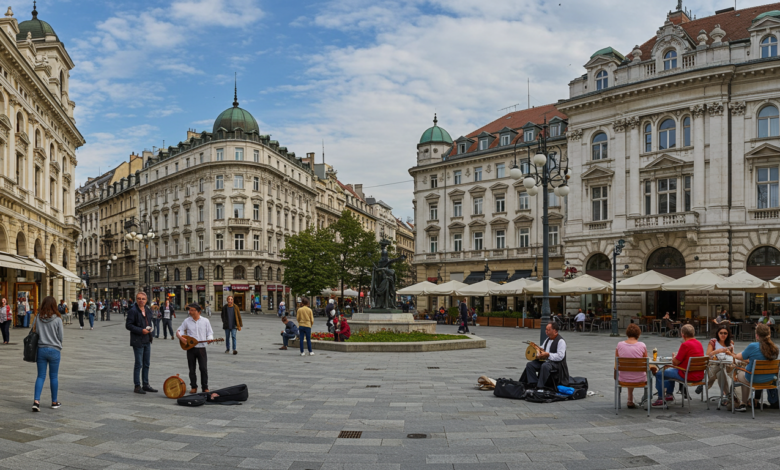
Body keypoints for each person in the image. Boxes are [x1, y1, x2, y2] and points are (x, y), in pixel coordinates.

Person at [728, 323, 779, 412]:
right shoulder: (774, 348)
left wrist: (732, 352)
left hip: (754, 379)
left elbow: (739, 357)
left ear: (757, 335)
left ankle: (743, 403)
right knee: (748, 374)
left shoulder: (753, 346)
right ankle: (753, 401)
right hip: (769, 380)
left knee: (741, 374)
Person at [652, 324, 703, 407]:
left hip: (687, 374)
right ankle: (669, 394)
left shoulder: (685, 345)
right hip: (699, 375)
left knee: (660, 373)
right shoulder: (699, 343)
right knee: (669, 371)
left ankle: (661, 398)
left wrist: (673, 356)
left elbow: (675, 362)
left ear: (682, 334)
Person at [31, 296, 64, 412]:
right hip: (54, 350)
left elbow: (33, 332)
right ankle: (54, 402)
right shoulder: (58, 319)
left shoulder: (37, 318)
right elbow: (61, 337)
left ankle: (36, 401)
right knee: (53, 376)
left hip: (41, 349)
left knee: (40, 376)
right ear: (54, 305)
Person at [176, 303, 214, 394]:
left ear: (199, 312)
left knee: (203, 368)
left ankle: (205, 387)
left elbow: (209, 333)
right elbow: (179, 330)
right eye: (190, 310)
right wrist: (181, 337)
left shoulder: (205, 321)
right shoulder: (187, 321)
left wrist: (209, 339)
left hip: (201, 348)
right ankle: (193, 386)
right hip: (190, 348)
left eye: (192, 310)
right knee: (191, 369)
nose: (190, 312)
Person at [125, 292, 157, 395]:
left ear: (146, 300)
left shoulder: (147, 310)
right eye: (139, 298)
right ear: (136, 299)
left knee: (146, 363)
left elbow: (150, 321)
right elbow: (128, 325)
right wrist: (140, 330)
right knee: (139, 364)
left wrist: (150, 330)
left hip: (147, 339)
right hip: (137, 340)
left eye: (143, 299)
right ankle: (137, 386)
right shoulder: (133, 311)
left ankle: (146, 384)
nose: (141, 300)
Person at [521, 323, 570, 389]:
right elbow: (542, 348)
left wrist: (548, 354)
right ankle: (533, 383)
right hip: (546, 361)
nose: (546, 331)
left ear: (555, 331)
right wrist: (537, 351)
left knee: (545, 366)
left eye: (548, 330)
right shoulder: (547, 339)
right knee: (530, 365)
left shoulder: (561, 341)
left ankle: (540, 386)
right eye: (546, 329)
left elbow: (560, 356)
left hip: (557, 364)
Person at [697, 325, 734, 404]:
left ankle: (704, 383)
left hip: (726, 366)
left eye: (725, 333)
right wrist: (717, 351)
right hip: (713, 366)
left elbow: (733, 356)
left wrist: (730, 353)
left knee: (721, 370)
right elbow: (708, 356)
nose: (723, 335)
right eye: (721, 333)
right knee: (720, 371)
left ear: (728, 334)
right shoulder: (713, 342)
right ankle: (728, 395)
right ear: (718, 333)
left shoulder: (730, 343)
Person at [615, 324, 648, 409]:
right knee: (649, 375)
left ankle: (630, 400)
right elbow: (646, 363)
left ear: (627, 333)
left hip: (623, 379)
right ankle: (646, 401)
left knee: (629, 371)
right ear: (638, 334)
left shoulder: (619, 345)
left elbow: (616, 364)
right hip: (640, 379)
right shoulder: (642, 345)